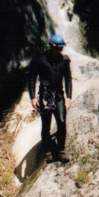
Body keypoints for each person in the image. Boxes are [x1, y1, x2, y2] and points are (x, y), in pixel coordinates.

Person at [27, 33, 72, 163]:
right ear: (52, 47)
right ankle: (47, 151)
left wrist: (69, 97)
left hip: (59, 95)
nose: (60, 50)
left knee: (62, 121)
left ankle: (61, 150)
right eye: (58, 48)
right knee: (46, 124)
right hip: (45, 96)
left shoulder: (64, 60)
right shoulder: (40, 60)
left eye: (61, 48)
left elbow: (68, 79)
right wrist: (33, 97)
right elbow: (32, 78)